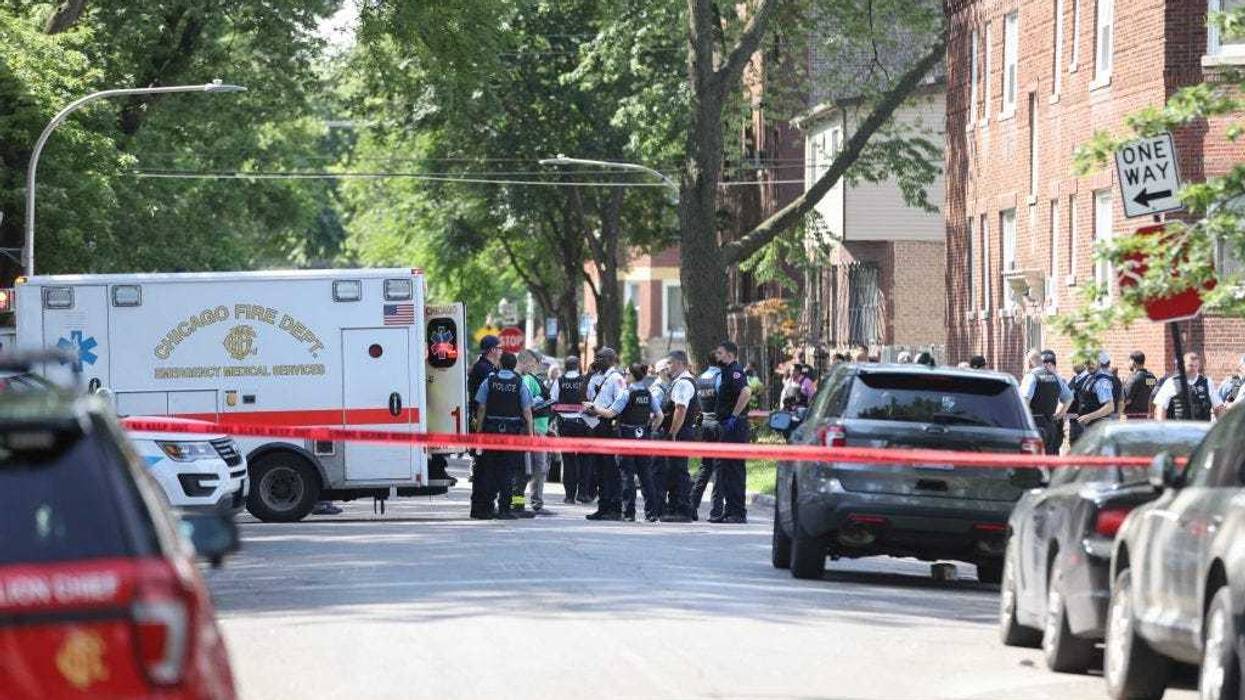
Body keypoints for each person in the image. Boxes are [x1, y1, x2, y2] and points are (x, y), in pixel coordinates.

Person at [595, 363, 663, 522]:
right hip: (643, 437)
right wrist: (649, 429)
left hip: (626, 436)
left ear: (632, 376)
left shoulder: (627, 393)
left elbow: (610, 413)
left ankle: (629, 512)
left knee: (627, 475)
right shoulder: (648, 393)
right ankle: (651, 514)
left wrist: (594, 407)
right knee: (646, 476)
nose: (625, 377)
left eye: (626, 374)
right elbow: (659, 416)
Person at [472, 351, 534, 520]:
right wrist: (530, 435)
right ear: (514, 366)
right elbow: (527, 412)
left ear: (499, 364)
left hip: (491, 432)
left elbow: (481, 408)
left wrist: (479, 432)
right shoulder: (520, 384)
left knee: (489, 470)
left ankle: (487, 508)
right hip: (511, 435)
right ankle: (505, 509)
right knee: (507, 472)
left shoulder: (489, 381)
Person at [583, 348, 629, 520]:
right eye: (595, 357)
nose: (596, 359)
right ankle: (603, 507)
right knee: (599, 469)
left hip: (607, 426)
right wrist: (588, 375)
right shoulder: (596, 377)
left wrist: (605, 412)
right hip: (595, 426)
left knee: (610, 468)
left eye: (600, 357)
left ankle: (615, 508)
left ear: (610, 359)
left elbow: (622, 400)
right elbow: (585, 396)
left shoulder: (616, 378)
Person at [710, 341, 752, 524]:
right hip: (727, 426)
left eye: (719, 353)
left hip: (734, 426)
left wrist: (734, 416)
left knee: (734, 469)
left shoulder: (735, 371)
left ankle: (737, 512)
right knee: (726, 470)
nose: (717, 356)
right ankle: (729, 510)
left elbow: (746, 391)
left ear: (729, 355)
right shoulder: (726, 372)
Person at [658, 350, 699, 522]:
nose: (667, 367)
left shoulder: (683, 383)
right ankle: (675, 507)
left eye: (670, 363)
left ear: (679, 363)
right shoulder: (678, 381)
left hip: (680, 432)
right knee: (673, 470)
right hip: (679, 431)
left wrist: (672, 433)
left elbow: (680, 409)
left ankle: (683, 510)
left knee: (678, 471)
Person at [467, 335, 503, 519]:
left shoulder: (485, 367)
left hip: (484, 423)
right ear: (492, 350)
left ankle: (481, 506)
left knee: (484, 467)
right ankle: (484, 507)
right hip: (483, 424)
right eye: (499, 348)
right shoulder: (484, 370)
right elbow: (482, 402)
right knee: (486, 468)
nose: (501, 351)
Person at [551, 356, 591, 504]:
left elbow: (553, 401)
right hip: (583, 424)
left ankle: (569, 496)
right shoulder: (585, 381)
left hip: (565, 425)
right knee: (584, 459)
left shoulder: (559, 381)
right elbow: (591, 400)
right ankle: (582, 494)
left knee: (568, 460)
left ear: (566, 367)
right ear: (578, 366)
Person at [518, 350, 554, 516]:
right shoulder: (528, 380)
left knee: (537, 468)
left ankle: (533, 502)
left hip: (540, 430)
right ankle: (528, 503)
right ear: (531, 362)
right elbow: (526, 406)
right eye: (540, 362)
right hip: (534, 432)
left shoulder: (534, 380)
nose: (542, 366)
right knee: (534, 468)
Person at [1019, 349, 1072, 455]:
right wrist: (1060, 415)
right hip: (1051, 424)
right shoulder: (1055, 376)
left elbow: (1024, 401)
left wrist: (1024, 422)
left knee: (1033, 462)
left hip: (1035, 424)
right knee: (1050, 458)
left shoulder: (1031, 376)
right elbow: (1069, 398)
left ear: (1029, 362)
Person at [689, 360, 724, 522]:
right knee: (719, 468)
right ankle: (716, 511)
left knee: (705, 467)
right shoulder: (719, 377)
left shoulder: (701, 378)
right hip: (717, 424)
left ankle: (692, 505)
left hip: (705, 424)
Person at [1154, 352, 1224, 421]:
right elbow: (1161, 408)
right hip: (1179, 429)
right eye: (1190, 366)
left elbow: (1218, 408)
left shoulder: (1207, 382)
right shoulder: (1171, 382)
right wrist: (1162, 428)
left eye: (1196, 366)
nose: (1193, 369)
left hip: (1202, 429)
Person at [1070, 351, 1118, 442]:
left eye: (1092, 362)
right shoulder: (1090, 377)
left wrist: (1089, 417)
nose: (1090, 365)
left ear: (1099, 362)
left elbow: (1110, 407)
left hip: (1099, 427)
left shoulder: (1102, 380)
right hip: (1091, 427)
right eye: (1087, 362)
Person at [1121, 351, 1159, 420]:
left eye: (1129, 361)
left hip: (1132, 418)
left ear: (1133, 362)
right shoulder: (1151, 377)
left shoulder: (1133, 379)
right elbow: (1153, 394)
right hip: (1147, 416)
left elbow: (1127, 400)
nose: (1128, 364)